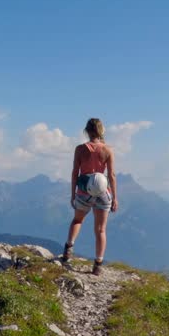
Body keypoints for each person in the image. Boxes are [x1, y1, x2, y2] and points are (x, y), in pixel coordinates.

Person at [61, 118, 118, 275]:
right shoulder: (107, 150)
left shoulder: (80, 149)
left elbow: (75, 173)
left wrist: (73, 194)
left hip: (84, 192)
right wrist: (114, 197)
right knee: (101, 230)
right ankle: (98, 264)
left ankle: (68, 249)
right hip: (102, 192)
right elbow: (111, 175)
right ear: (101, 131)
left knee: (78, 220)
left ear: (87, 131)